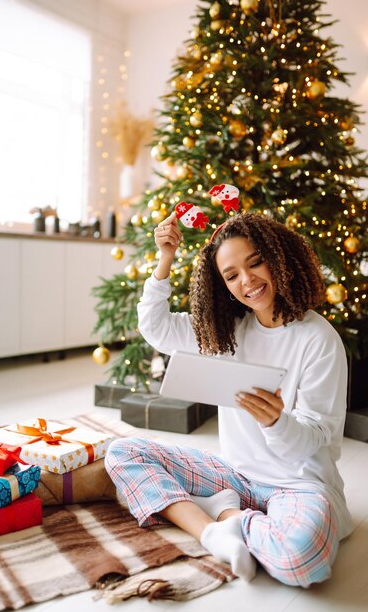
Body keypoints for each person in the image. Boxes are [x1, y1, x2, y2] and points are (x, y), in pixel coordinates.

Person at [105, 210, 353, 587]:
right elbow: (155, 329)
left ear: (280, 258)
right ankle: (213, 531)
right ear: (221, 285)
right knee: (123, 452)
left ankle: (229, 518)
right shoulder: (225, 330)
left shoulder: (318, 339)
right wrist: (165, 259)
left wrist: (276, 422)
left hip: (299, 484)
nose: (248, 281)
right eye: (232, 275)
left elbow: (316, 436)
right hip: (237, 476)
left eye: (256, 263)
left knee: (303, 561)